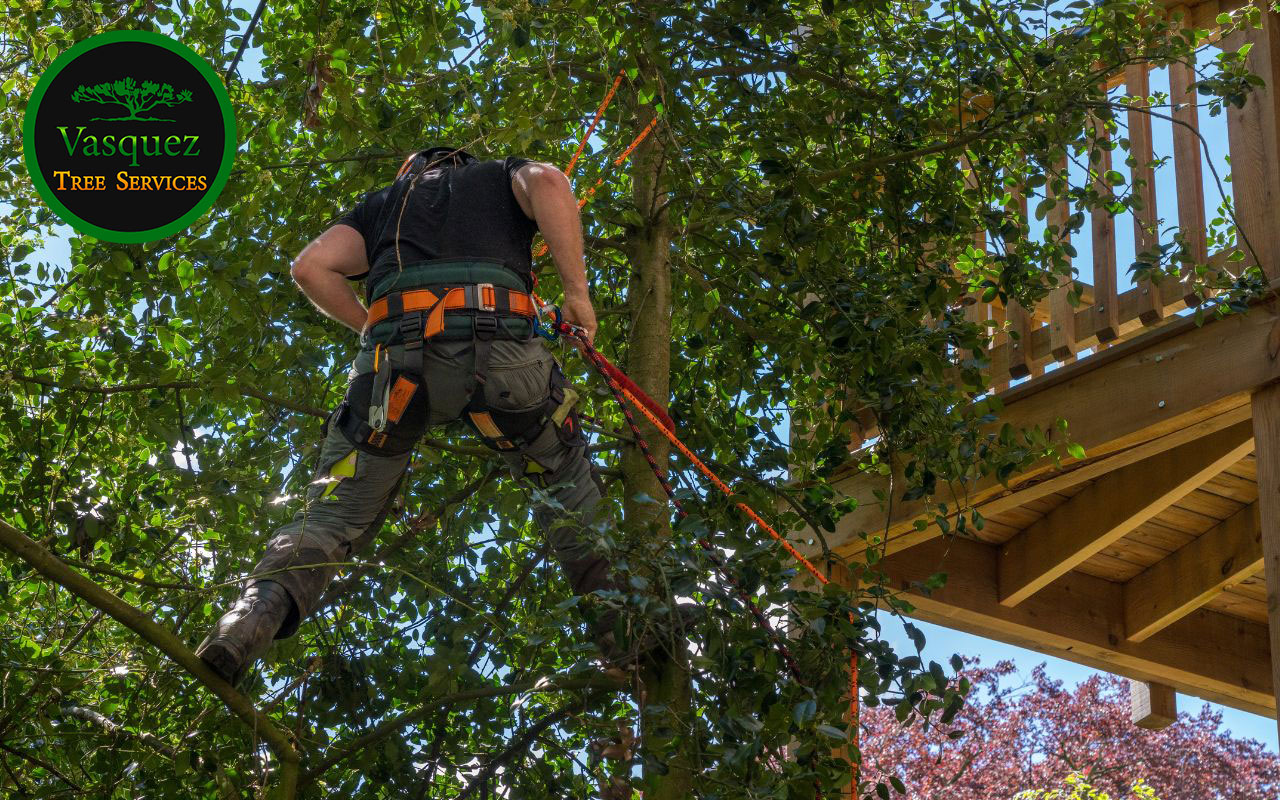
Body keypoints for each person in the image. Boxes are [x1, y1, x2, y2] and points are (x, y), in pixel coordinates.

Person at [195, 146, 689, 688]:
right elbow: (550, 183)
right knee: (566, 482)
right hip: (505, 361)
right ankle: (631, 641)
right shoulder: (499, 176)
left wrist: (372, 326)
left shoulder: (382, 205)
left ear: (409, 171)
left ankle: (248, 620)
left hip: (395, 371)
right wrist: (577, 294)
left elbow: (309, 267)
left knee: (333, 516)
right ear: (459, 164)